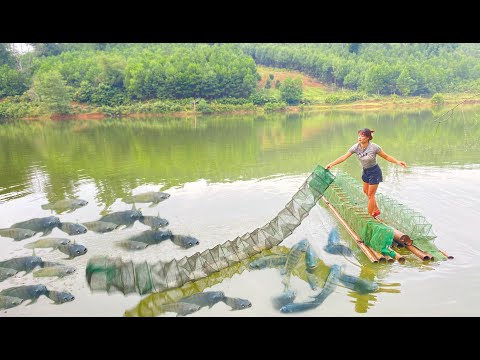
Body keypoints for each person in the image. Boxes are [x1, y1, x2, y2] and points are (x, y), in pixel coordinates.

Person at [325, 128, 407, 218]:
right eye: (359, 135)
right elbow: (344, 157)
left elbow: (386, 157)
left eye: (362, 136)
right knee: (365, 191)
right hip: (365, 171)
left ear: (368, 138)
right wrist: (331, 164)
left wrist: (398, 162)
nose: (360, 138)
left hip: (374, 172)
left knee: (371, 195)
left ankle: (369, 217)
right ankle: (376, 210)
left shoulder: (374, 147)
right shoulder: (356, 147)